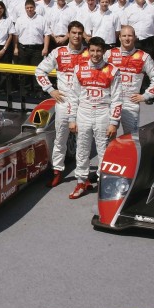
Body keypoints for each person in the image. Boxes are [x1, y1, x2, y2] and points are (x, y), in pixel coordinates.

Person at [67, 37, 123, 199]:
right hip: (83, 113)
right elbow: (73, 97)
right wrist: (72, 119)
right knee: (82, 149)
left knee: (104, 151)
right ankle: (81, 182)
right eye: (92, 50)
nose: (95, 54)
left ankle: (103, 182)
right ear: (88, 51)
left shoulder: (113, 71)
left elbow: (117, 99)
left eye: (99, 50)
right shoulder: (79, 69)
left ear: (104, 51)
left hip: (103, 113)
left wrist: (114, 122)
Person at [35, 20, 87, 187]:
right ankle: (57, 170)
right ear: (68, 34)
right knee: (61, 138)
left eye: (80, 33)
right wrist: (51, 90)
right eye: (74, 33)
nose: (77, 36)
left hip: (84, 103)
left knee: (84, 140)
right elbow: (40, 71)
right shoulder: (58, 52)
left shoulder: (90, 53)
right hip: (64, 101)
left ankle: (82, 176)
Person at [107, 25, 154, 134]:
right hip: (111, 101)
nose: (127, 38)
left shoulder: (143, 56)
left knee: (131, 137)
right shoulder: (109, 54)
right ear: (119, 38)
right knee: (108, 135)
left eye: (130, 36)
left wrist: (146, 96)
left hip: (130, 102)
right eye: (124, 36)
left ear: (135, 37)